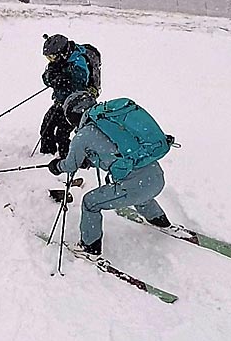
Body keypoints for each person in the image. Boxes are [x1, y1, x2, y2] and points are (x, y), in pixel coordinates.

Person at [46, 91, 173, 256]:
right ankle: (159, 220)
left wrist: (57, 166)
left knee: (90, 203)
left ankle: (89, 248)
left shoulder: (83, 136)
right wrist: (89, 161)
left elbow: (70, 166)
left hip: (136, 188)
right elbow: (115, 151)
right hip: (156, 178)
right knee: (141, 194)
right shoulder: (111, 123)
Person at [39, 33, 90, 158]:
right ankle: (46, 155)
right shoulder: (58, 61)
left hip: (76, 105)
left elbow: (81, 83)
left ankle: (67, 161)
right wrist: (51, 78)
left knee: (62, 132)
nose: (51, 60)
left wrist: (64, 80)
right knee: (46, 126)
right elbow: (45, 78)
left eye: (52, 57)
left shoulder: (79, 61)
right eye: (48, 58)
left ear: (62, 52)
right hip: (60, 101)